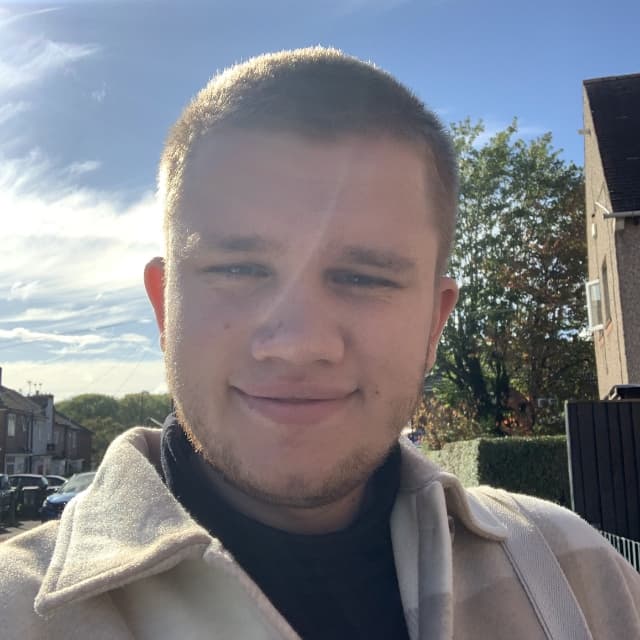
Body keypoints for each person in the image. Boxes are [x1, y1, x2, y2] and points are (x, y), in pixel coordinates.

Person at [1, 47, 639, 640]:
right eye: (239, 269)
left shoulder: (581, 575)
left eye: (364, 277)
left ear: (434, 323)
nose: (299, 343)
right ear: (164, 306)